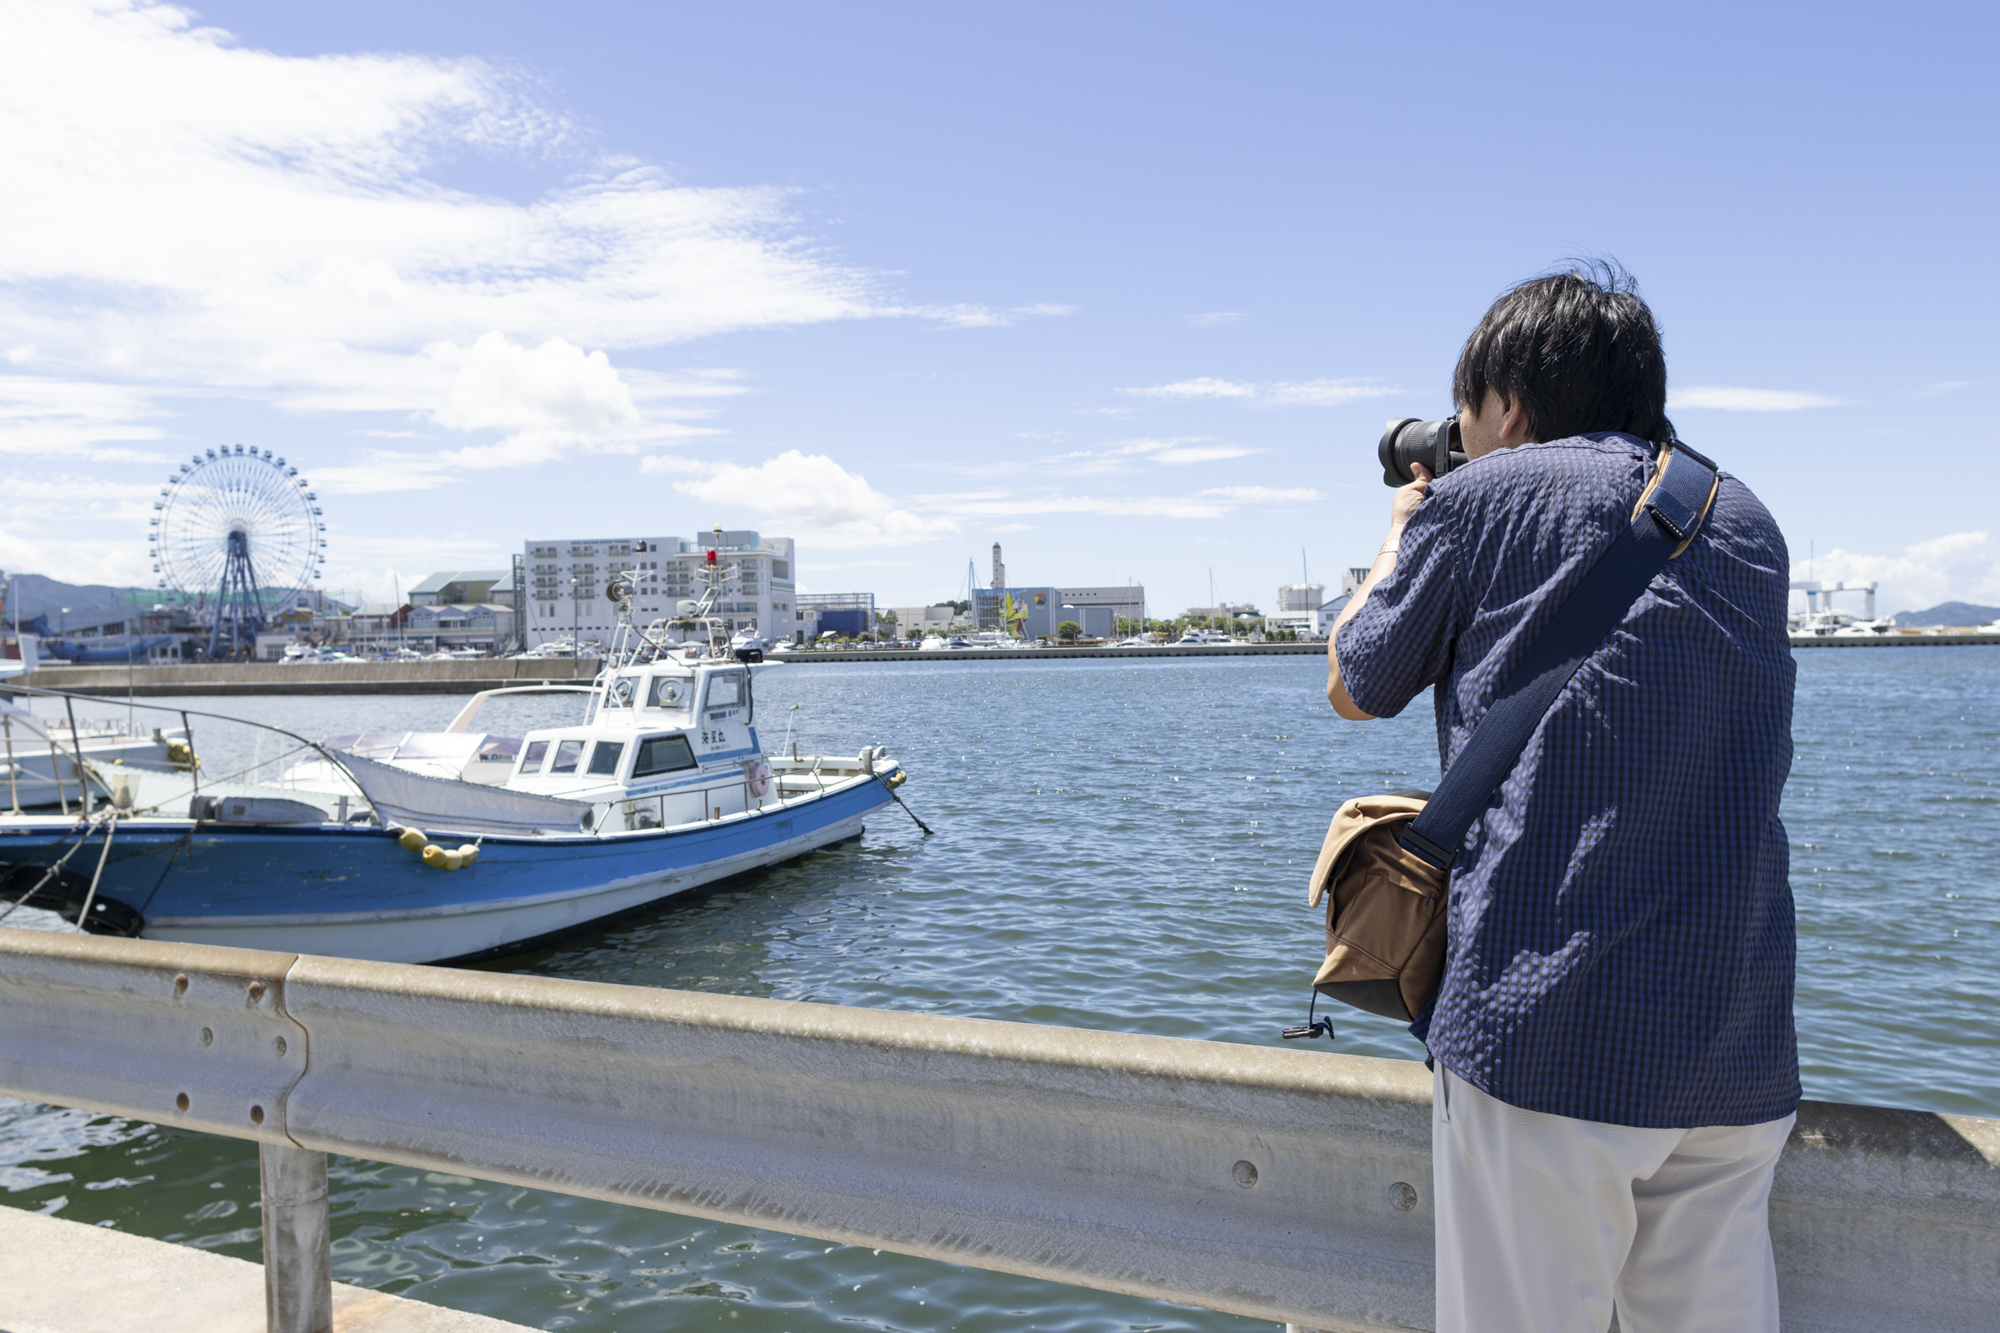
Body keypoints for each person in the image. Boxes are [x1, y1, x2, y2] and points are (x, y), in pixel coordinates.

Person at [1326, 264, 1799, 1333]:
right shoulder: (1746, 520)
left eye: (1467, 413)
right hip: (1734, 1043)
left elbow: (1355, 682)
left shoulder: (1474, 498)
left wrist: (1405, 522)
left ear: (1510, 403)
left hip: (1548, 1033)